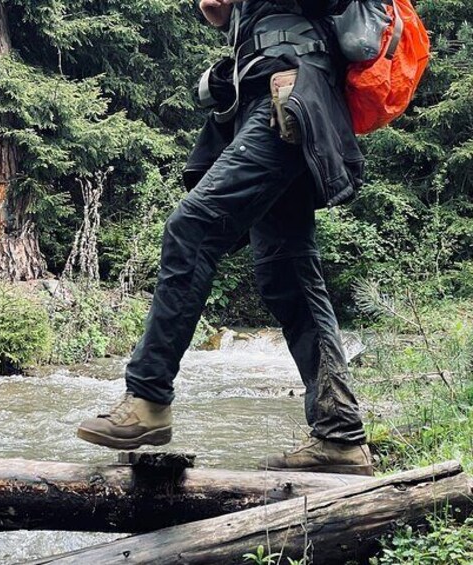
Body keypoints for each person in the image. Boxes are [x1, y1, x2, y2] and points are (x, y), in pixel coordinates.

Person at [77, 0, 374, 476]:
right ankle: (339, 435)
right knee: (286, 273)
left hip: (292, 91)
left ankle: (149, 399)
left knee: (191, 228)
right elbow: (215, 10)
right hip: (263, 97)